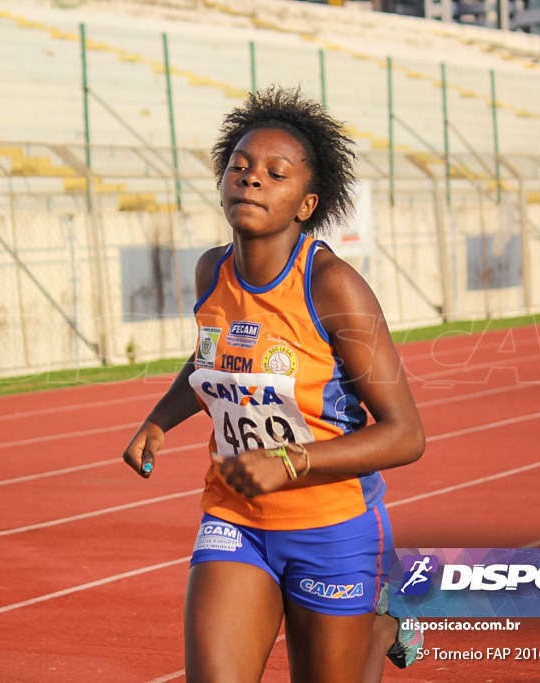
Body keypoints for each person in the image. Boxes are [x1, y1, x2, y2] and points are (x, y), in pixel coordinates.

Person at [122, 86, 426, 683]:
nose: (251, 179)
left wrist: (288, 460)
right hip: (235, 516)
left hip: (332, 526)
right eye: (239, 166)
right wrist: (159, 420)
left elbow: (406, 435)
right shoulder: (212, 271)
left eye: (274, 173)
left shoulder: (334, 287)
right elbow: (211, 359)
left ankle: (382, 625)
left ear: (306, 203)